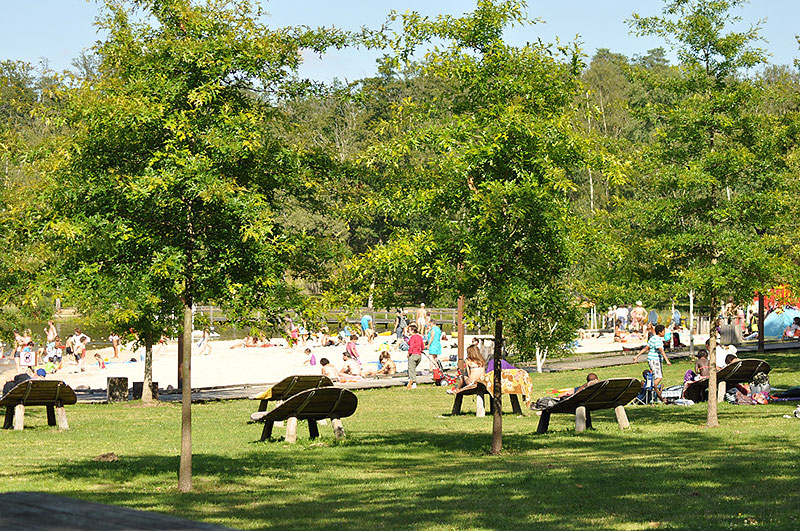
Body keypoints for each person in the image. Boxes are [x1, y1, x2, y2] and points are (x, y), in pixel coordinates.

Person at [633, 324, 671, 403]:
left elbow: (646, 348)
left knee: (654, 376)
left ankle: (651, 390)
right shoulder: (658, 340)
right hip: (655, 360)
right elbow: (661, 350)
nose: (665, 333)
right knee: (659, 377)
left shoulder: (652, 338)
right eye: (664, 331)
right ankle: (650, 390)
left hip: (651, 359)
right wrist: (667, 360)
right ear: (660, 332)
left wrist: (637, 356)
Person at [406, 324, 424, 389]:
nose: (408, 331)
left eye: (409, 330)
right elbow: (422, 346)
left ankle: (413, 382)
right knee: (413, 369)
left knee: (411, 369)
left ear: (413, 331)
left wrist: (409, 353)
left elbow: (411, 346)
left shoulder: (412, 337)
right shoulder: (420, 337)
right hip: (419, 355)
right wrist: (421, 350)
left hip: (413, 354)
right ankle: (411, 380)